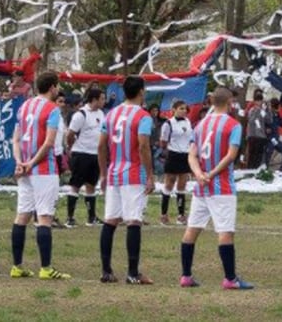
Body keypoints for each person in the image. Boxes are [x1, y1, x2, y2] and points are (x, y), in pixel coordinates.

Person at [179, 87, 253, 290]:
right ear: (229, 103)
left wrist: (199, 174)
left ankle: (186, 275)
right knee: (225, 232)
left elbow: (191, 155)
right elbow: (231, 155)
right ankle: (230, 278)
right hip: (222, 187)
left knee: (191, 230)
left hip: (201, 187)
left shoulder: (201, 125)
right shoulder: (233, 125)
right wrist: (210, 175)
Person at [10, 71, 70, 280]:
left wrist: (20, 163)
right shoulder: (52, 109)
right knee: (44, 216)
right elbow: (49, 143)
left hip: (25, 168)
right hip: (43, 169)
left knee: (22, 215)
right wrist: (32, 163)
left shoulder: (25, 106)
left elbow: (15, 139)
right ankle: (45, 268)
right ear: (52, 87)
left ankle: (17, 266)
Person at [98, 76, 155, 285]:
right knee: (134, 220)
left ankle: (106, 270)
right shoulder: (143, 116)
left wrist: (103, 173)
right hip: (133, 173)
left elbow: (101, 146)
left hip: (114, 173)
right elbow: (143, 146)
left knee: (110, 220)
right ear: (141, 91)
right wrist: (149, 175)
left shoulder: (110, 114)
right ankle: (132, 273)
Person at [65, 89, 106, 228]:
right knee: (75, 185)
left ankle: (91, 217)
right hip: (81, 153)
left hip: (95, 154)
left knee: (91, 185)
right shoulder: (80, 114)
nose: (104, 101)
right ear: (94, 99)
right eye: (102, 98)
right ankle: (70, 217)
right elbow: (70, 134)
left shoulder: (101, 114)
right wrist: (71, 148)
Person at [160, 100, 192, 226]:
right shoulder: (169, 123)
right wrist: (169, 149)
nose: (183, 111)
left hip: (185, 154)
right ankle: (164, 214)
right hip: (173, 154)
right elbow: (163, 140)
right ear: (173, 110)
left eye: (185, 109)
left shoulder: (188, 122)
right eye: (181, 108)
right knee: (169, 184)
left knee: (182, 185)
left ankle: (181, 215)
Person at [244, 91, 272, 169]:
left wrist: (268, 109)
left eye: (260, 100)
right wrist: (258, 110)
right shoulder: (251, 110)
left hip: (261, 136)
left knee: (258, 156)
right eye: (257, 100)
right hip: (252, 135)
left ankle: (255, 171)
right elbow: (251, 120)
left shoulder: (263, 111)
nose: (258, 102)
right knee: (251, 155)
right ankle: (249, 170)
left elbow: (269, 120)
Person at [264, 98, 282, 171]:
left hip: (276, 138)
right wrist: (266, 129)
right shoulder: (266, 113)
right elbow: (262, 123)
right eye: (277, 107)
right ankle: (264, 170)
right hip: (269, 138)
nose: (278, 109)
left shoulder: (276, 114)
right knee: (268, 153)